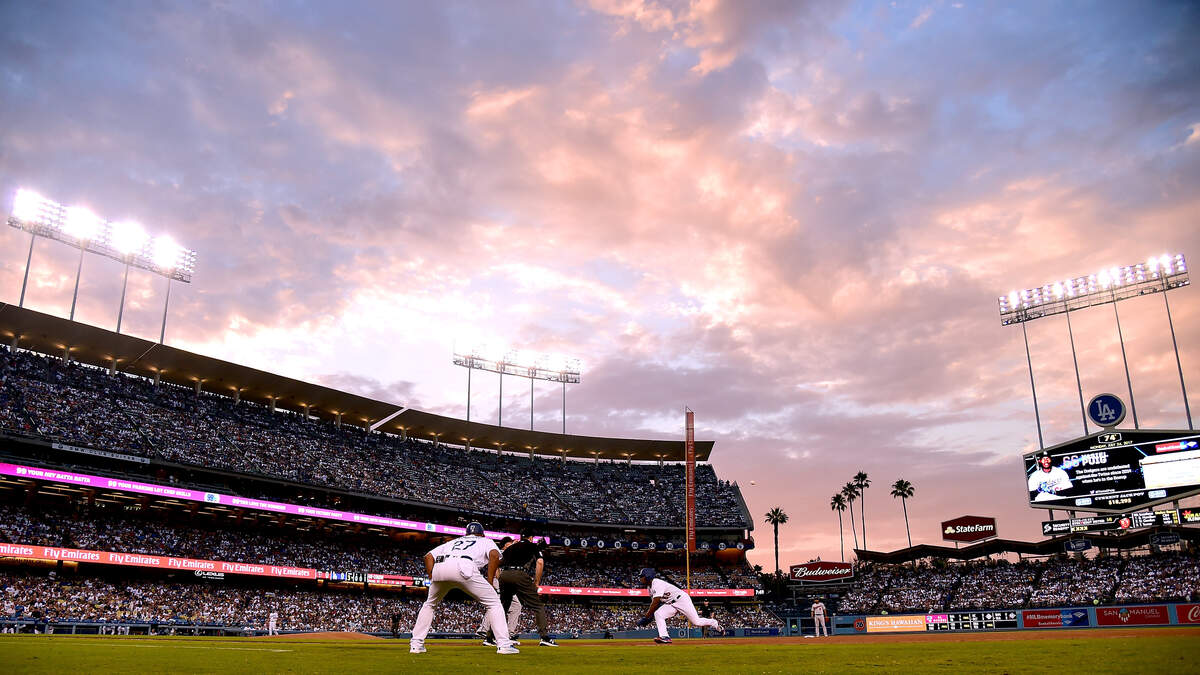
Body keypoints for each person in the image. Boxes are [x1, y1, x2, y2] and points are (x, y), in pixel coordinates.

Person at [409, 522, 518, 655]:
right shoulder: (485, 541)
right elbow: (494, 556)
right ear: (482, 533)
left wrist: (433, 577)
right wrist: (489, 581)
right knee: (494, 603)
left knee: (430, 604)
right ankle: (504, 645)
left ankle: (416, 644)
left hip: (441, 566)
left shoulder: (454, 541)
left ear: (466, 533)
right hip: (464, 565)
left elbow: (428, 557)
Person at [485, 536, 558, 647]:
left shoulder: (511, 547)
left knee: (503, 607)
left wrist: (498, 578)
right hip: (519, 574)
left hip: (505, 575)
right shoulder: (533, 545)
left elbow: (496, 563)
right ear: (531, 538)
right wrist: (537, 583)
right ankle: (545, 638)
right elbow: (540, 563)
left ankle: (489, 638)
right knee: (538, 606)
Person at [634, 568, 722, 644]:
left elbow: (655, 602)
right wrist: (650, 617)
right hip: (671, 604)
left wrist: (646, 617)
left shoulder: (657, 583)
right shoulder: (649, 588)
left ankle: (714, 623)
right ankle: (665, 637)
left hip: (681, 600)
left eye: (642, 576)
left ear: (648, 576)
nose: (640, 578)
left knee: (697, 622)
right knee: (658, 614)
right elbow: (655, 605)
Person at [477, 537, 522, 644]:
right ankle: (483, 629)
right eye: (509, 543)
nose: (511, 544)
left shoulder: (509, 553)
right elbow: (496, 566)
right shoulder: (500, 552)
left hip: (505, 582)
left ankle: (509, 633)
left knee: (516, 605)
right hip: (499, 580)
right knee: (496, 603)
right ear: (505, 544)